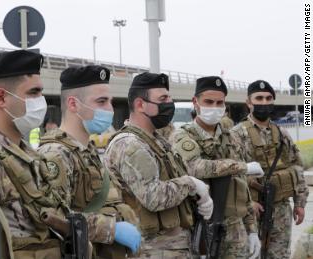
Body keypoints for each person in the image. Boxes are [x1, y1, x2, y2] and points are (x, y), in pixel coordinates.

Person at [0, 51, 140, 258]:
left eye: (40, 93)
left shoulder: (30, 157)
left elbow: (60, 217)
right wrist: (110, 229)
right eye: (33, 93)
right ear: (2, 98)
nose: (40, 101)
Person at [104, 72, 214, 258]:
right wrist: (192, 184)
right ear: (140, 104)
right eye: (163, 98)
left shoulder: (156, 140)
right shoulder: (131, 144)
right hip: (153, 249)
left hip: (171, 247)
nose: (169, 103)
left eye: (169, 97)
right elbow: (153, 196)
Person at [38, 65, 141, 258]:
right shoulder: (56, 154)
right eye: (101, 102)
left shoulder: (87, 150)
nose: (110, 109)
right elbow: (54, 218)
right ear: (73, 104)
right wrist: (112, 229)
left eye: (110, 102)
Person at [171, 76, 262, 259]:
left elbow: (242, 186)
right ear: (195, 102)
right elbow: (195, 167)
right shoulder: (183, 136)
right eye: (209, 102)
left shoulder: (232, 137)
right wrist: (241, 166)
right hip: (203, 227)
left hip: (236, 227)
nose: (214, 106)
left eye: (219, 102)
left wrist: (251, 229)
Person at [232, 80, 309, 259]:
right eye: (259, 98)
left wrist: (300, 202)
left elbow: (296, 166)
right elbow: (231, 174)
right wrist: (247, 203)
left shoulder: (282, 133)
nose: (264, 102)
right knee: (251, 255)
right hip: (251, 211)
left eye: (268, 98)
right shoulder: (237, 134)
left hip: (281, 209)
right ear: (248, 103)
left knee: (280, 255)